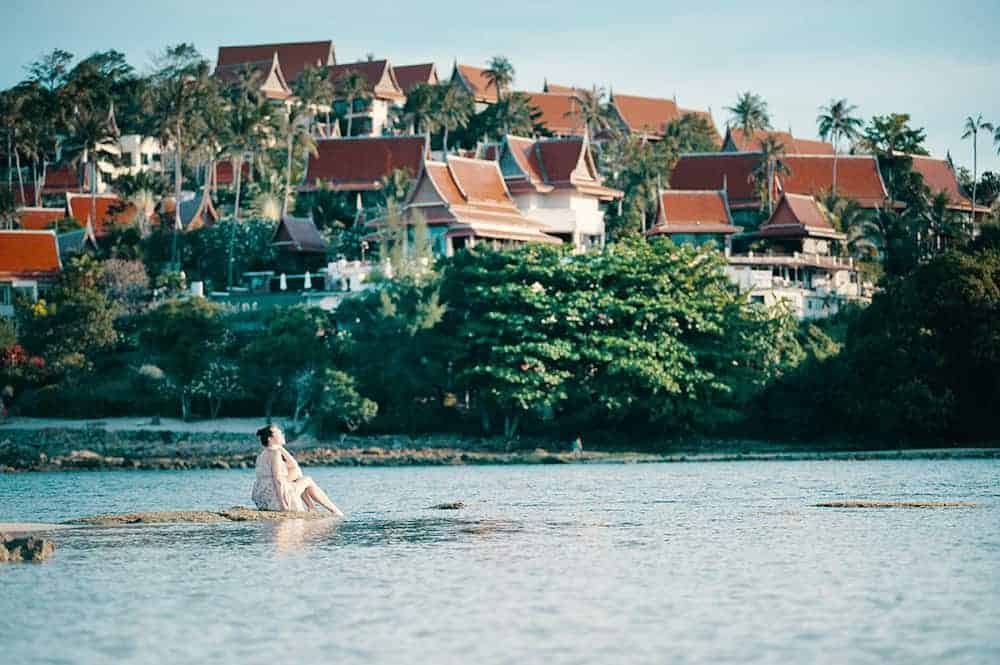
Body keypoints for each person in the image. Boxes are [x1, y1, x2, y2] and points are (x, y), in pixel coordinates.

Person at [252, 424, 344, 516]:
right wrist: (284, 505)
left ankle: (312, 507)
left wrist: (280, 448)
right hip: (274, 499)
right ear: (270, 439)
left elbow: (294, 467)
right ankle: (334, 510)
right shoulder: (275, 454)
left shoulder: (263, 455)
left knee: (298, 473)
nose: (282, 434)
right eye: (279, 433)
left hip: (264, 499)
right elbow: (278, 480)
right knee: (307, 479)